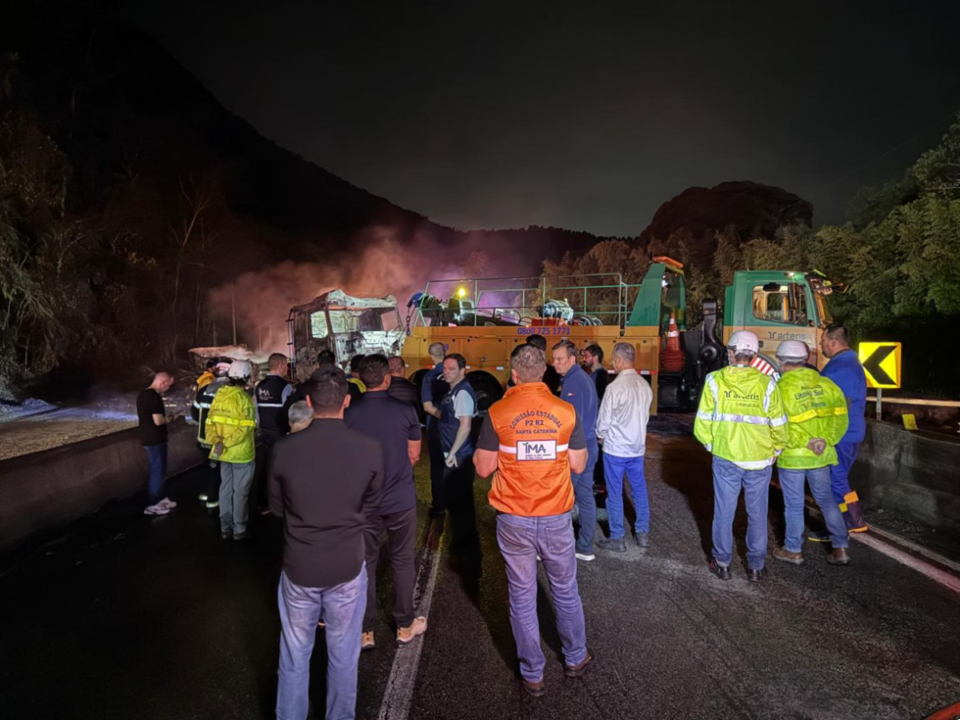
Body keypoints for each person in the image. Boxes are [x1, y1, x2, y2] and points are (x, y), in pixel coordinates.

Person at [474, 343, 591, 697]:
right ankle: (575, 657)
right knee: (565, 589)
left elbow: (482, 468)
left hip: (514, 519)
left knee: (522, 596)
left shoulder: (498, 412)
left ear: (513, 374)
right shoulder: (566, 411)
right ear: (545, 372)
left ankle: (533, 674)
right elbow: (579, 464)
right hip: (555, 516)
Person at [269, 367, 384, 720]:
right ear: (347, 402)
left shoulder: (284, 449)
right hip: (347, 567)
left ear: (307, 402)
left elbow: (276, 508)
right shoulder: (369, 449)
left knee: (294, 655)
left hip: (299, 566)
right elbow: (372, 505)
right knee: (343, 656)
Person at [345, 354, 426, 650]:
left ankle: (365, 631)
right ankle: (405, 626)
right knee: (402, 560)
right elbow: (414, 454)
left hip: (364, 500)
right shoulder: (405, 411)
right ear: (387, 378)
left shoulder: (350, 412)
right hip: (399, 499)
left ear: (363, 380)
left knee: (365, 562)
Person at [694, 331, 788, 582]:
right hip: (760, 459)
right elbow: (779, 424)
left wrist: (712, 446)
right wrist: (776, 451)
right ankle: (756, 567)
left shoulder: (715, 380)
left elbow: (702, 424)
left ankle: (722, 563)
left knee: (724, 512)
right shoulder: (768, 383)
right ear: (755, 355)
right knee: (757, 514)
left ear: (731, 352)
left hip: (726, 457)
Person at [771, 341, 852, 567]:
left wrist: (805, 441)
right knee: (826, 499)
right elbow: (841, 418)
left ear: (780, 361)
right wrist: (825, 440)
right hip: (822, 454)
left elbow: (778, 428)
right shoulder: (827, 385)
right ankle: (841, 547)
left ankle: (793, 550)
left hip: (794, 457)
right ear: (805, 360)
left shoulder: (779, 389)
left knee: (794, 504)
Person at [595, 343, 654, 552]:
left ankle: (617, 537)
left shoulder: (614, 388)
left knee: (614, 493)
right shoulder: (645, 386)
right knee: (639, 490)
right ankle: (642, 533)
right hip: (637, 449)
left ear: (619, 360)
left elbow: (603, 423)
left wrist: (601, 437)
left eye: (614, 359)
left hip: (615, 450)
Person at [552, 340, 600, 561]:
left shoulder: (574, 383)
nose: (555, 363)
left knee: (559, 498)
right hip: (588, 447)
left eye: (560, 359)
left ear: (572, 359)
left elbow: (571, 423)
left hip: (576, 450)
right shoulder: (583, 378)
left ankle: (554, 548)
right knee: (586, 497)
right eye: (554, 358)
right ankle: (585, 547)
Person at [819, 323, 869, 534]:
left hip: (842, 434)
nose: (820, 344)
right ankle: (850, 521)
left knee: (835, 479)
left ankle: (847, 524)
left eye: (822, 340)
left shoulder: (842, 368)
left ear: (833, 341)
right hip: (848, 432)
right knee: (837, 478)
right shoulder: (846, 363)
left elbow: (840, 405)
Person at [207, 360, 257, 541]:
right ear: (247, 377)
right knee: (240, 492)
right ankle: (239, 529)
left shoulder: (219, 395)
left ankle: (224, 527)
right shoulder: (244, 399)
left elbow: (209, 423)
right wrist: (227, 442)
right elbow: (246, 429)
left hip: (222, 453)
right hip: (241, 454)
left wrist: (218, 443)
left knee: (225, 488)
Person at [440, 353, 480, 563]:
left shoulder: (462, 392)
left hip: (459, 457)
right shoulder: (454, 390)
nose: (446, 372)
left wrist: (453, 453)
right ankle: (464, 546)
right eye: (445, 369)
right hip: (454, 455)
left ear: (462, 370)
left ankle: (466, 550)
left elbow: (465, 426)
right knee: (457, 502)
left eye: (452, 369)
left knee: (460, 504)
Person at [255, 353, 294, 514]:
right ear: (280, 365)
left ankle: (263, 503)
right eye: (286, 365)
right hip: (280, 432)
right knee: (283, 468)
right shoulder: (285, 386)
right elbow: (288, 411)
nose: (287, 368)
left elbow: (257, 410)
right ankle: (282, 503)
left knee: (266, 465)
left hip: (265, 431)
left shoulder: (259, 386)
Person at [138, 371, 177, 516]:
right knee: (157, 471)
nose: (167, 389)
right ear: (163, 382)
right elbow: (158, 421)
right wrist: (170, 419)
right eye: (168, 386)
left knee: (159, 470)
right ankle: (153, 504)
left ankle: (160, 499)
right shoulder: (153, 396)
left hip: (149, 438)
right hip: (155, 439)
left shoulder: (142, 395)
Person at [192, 364, 231, 510]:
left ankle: (204, 494)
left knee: (206, 467)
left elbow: (194, 413)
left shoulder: (203, 391)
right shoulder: (227, 393)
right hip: (218, 440)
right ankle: (213, 501)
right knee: (217, 469)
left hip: (203, 439)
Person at [421, 341, 449, 517]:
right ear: (445, 353)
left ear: (431, 356)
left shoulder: (429, 377)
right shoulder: (458, 375)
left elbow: (427, 406)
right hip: (455, 429)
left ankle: (438, 506)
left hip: (435, 428)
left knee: (437, 467)